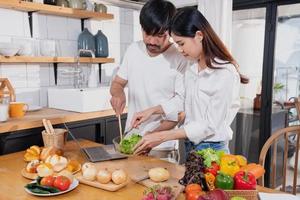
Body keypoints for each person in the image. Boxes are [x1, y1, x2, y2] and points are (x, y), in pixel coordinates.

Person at [132, 7, 249, 155]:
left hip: (212, 150)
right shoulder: (191, 66)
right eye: (176, 44)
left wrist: (162, 136)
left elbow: (209, 125)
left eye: (181, 43)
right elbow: (183, 100)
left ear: (199, 35)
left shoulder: (225, 73)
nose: (179, 50)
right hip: (190, 146)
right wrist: (152, 111)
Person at [110, 0, 189, 151]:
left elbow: (180, 110)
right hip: (130, 141)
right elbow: (118, 83)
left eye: (160, 35)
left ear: (171, 32)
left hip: (161, 146)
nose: (152, 41)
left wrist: (150, 136)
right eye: (147, 33)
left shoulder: (181, 58)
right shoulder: (133, 50)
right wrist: (117, 94)